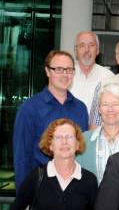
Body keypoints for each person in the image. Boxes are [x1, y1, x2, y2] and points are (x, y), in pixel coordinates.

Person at [4, 118, 98, 210]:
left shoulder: (89, 181)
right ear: (50, 145)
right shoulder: (36, 177)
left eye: (70, 137)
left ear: (78, 144)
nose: (65, 141)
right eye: (58, 137)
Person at [13, 50, 88, 190]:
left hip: (75, 188)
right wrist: (23, 201)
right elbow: (21, 158)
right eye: (59, 69)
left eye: (69, 70)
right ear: (47, 71)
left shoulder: (81, 108)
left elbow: (82, 152)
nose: (65, 74)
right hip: (41, 188)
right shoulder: (29, 108)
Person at [76, 82, 119, 184]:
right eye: (105, 104)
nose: (110, 109)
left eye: (115, 104)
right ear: (99, 109)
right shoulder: (83, 140)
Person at [69, 31, 114, 112]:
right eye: (82, 45)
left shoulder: (109, 77)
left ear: (97, 50)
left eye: (91, 45)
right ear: (76, 51)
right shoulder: (66, 75)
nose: (87, 50)